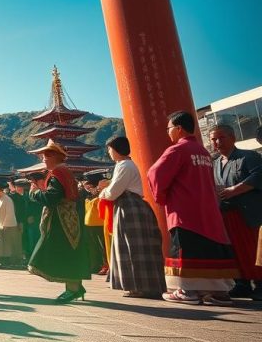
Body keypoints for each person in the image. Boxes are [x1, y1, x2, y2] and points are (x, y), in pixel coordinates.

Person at [148, 111, 239, 305]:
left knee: (186, 249)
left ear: (179, 128)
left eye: (169, 128)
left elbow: (155, 173)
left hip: (185, 211)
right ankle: (218, 293)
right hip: (208, 210)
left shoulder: (177, 150)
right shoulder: (203, 152)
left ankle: (187, 291)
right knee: (211, 250)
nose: (168, 133)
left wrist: (161, 197)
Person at [97, 135, 165, 298]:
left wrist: (102, 193)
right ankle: (143, 284)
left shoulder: (124, 165)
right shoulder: (126, 164)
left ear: (114, 149)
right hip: (134, 206)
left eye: (109, 149)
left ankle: (138, 286)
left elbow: (113, 192)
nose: (109, 152)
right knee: (139, 246)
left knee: (131, 247)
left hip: (128, 207)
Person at [27, 139, 91, 303]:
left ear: (55, 156)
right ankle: (75, 286)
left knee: (64, 251)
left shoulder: (57, 174)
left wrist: (34, 193)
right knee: (70, 249)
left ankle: (73, 289)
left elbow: (51, 198)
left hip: (60, 220)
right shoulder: (64, 172)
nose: (43, 159)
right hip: (68, 217)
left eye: (46, 156)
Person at [209, 124, 262, 300]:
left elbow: (258, 176)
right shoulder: (215, 162)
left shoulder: (249, 156)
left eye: (221, 137)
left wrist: (234, 190)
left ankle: (260, 283)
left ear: (233, 138)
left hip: (248, 213)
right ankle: (242, 283)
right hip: (226, 213)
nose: (217, 142)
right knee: (234, 250)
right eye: (213, 139)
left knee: (253, 248)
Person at [0, 181, 23, 269]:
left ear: (0, 190)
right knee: (1, 245)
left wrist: (5, 225)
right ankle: (3, 262)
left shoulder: (7, 199)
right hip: (1, 226)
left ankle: (11, 262)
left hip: (9, 226)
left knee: (9, 245)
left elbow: (10, 213)